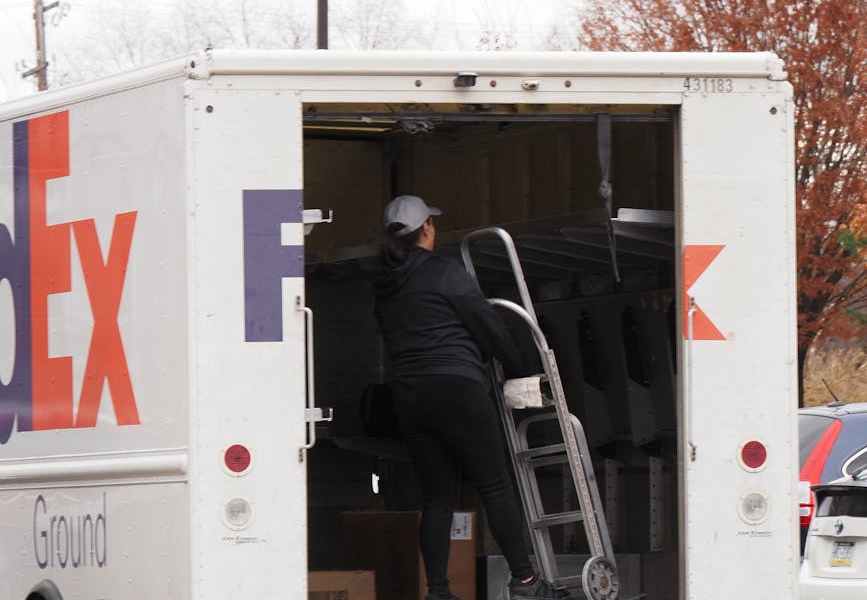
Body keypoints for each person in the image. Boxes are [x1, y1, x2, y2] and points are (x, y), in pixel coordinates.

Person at [373, 195, 568, 600]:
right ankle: (526, 582)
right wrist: (519, 369)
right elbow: (487, 325)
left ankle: (439, 591)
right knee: (494, 485)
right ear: (426, 228)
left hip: (409, 397)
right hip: (457, 389)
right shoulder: (445, 273)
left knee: (437, 497)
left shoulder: (385, 287)